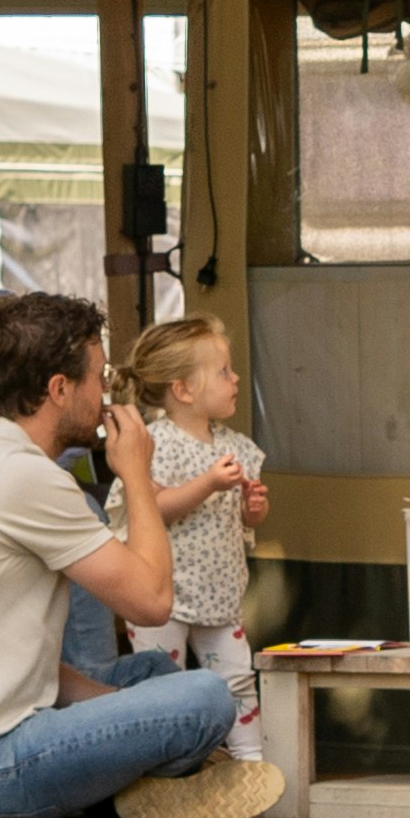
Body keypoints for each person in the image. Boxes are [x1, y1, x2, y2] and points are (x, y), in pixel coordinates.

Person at [0, 288, 280, 818]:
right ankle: (152, 787)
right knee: (204, 695)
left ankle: (148, 789)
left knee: (157, 673)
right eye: (98, 376)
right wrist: (136, 472)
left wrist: (126, 713)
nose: (107, 392)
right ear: (59, 389)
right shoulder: (24, 478)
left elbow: (25, 669)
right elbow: (153, 602)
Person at [117, 314, 274, 762]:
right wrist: (207, 483)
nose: (236, 377)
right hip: (160, 591)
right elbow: (152, 507)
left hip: (219, 590)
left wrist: (253, 510)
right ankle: (160, 768)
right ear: (183, 390)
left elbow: (244, 520)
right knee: (163, 684)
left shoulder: (236, 447)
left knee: (238, 678)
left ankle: (250, 765)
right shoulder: (151, 444)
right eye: (223, 371)